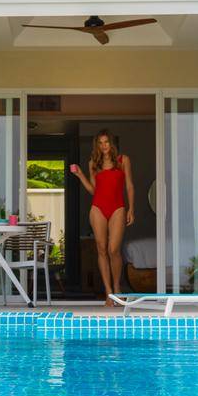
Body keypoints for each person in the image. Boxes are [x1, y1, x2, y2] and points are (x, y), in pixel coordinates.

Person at [69, 129, 135, 306]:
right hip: (98, 208)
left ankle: (117, 288)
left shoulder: (123, 160)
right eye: (100, 143)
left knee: (114, 249)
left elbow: (129, 186)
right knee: (101, 249)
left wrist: (131, 209)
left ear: (112, 144)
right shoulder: (93, 163)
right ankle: (108, 292)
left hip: (118, 208)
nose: (104, 146)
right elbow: (93, 190)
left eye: (106, 142)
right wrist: (80, 175)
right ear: (97, 145)